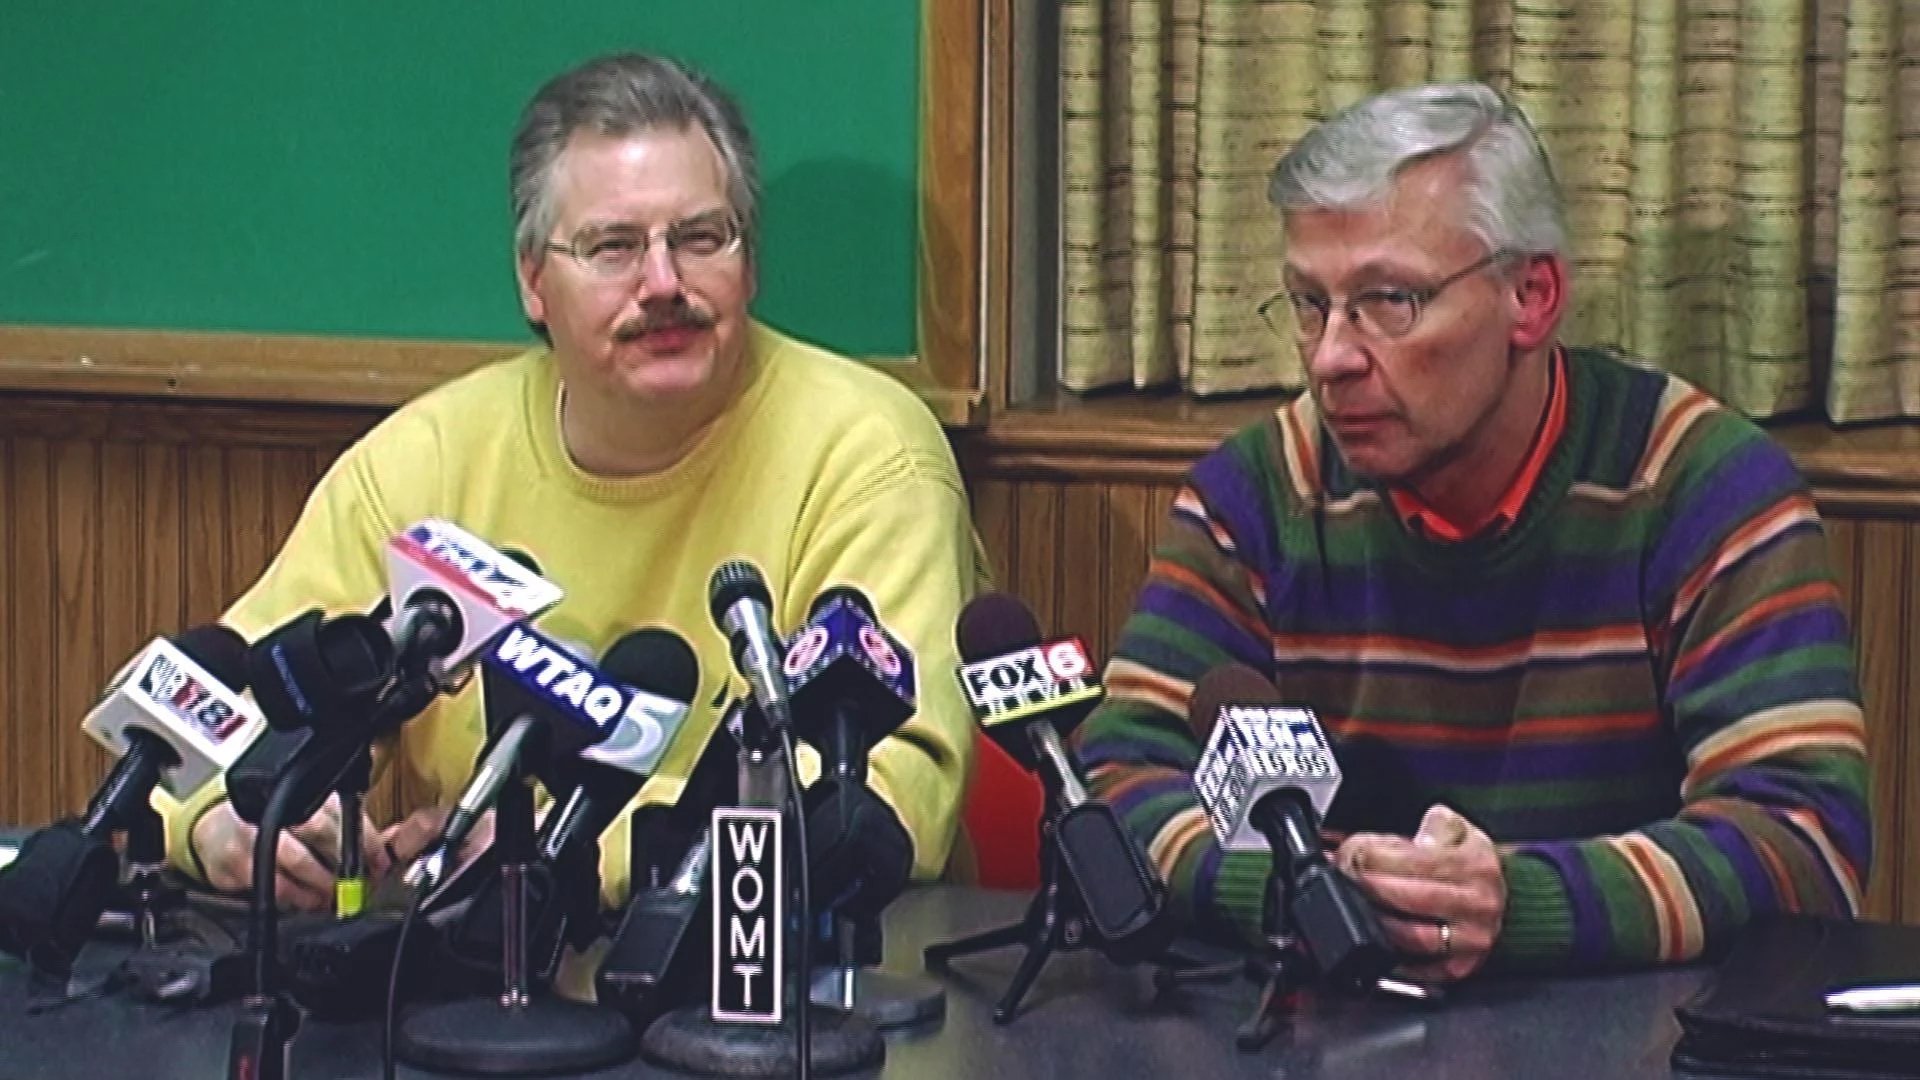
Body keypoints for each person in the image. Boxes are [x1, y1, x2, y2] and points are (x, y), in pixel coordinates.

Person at [152, 52, 982, 915]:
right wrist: (218, 818)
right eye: (613, 247)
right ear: (532, 280)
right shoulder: (426, 463)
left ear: (751, 262)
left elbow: (884, 797)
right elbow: (207, 719)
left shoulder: (869, 456)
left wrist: (554, 852)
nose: (663, 284)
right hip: (480, 968)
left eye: (701, 238)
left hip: (784, 963)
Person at [1077, 82, 1871, 981]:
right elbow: (1116, 782)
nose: (1331, 356)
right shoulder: (1258, 494)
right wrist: (1304, 892)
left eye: (1389, 300)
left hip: (1626, 1031)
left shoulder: (1702, 488)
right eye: (1308, 303)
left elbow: (1806, 840)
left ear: (1531, 297)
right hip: (1326, 1018)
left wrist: (1513, 901)